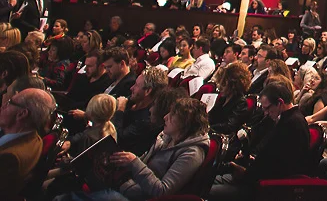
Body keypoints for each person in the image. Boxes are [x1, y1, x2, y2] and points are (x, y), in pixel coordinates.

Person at [58, 96, 212, 201]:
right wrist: (124, 162)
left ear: (185, 123)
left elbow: (162, 191)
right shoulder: (168, 137)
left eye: (172, 115)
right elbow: (144, 164)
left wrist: (134, 163)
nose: (165, 117)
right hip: (129, 184)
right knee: (85, 170)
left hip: (141, 196)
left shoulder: (192, 153)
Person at [210, 80, 310, 199]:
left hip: (266, 186)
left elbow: (280, 169)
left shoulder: (292, 124)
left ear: (279, 103)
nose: (266, 113)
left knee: (208, 190)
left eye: (268, 108)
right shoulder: (288, 120)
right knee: (208, 180)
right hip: (256, 176)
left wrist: (245, 173)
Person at [0, 87, 56, 196]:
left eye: (9, 102)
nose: (3, 106)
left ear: (22, 114)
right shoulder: (34, 137)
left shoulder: (10, 158)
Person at [114, 66, 169, 155]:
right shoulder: (133, 101)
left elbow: (119, 138)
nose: (131, 88)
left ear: (147, 91)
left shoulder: (149, 119)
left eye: (136, 85)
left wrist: (120, 110)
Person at [207, 62, 251, 134]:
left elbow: (230, 126)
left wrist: (209, 128)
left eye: (224, 83)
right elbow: (211, 116)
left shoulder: (241, 103)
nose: (220, 87)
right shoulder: (223, 98)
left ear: (233, 85)